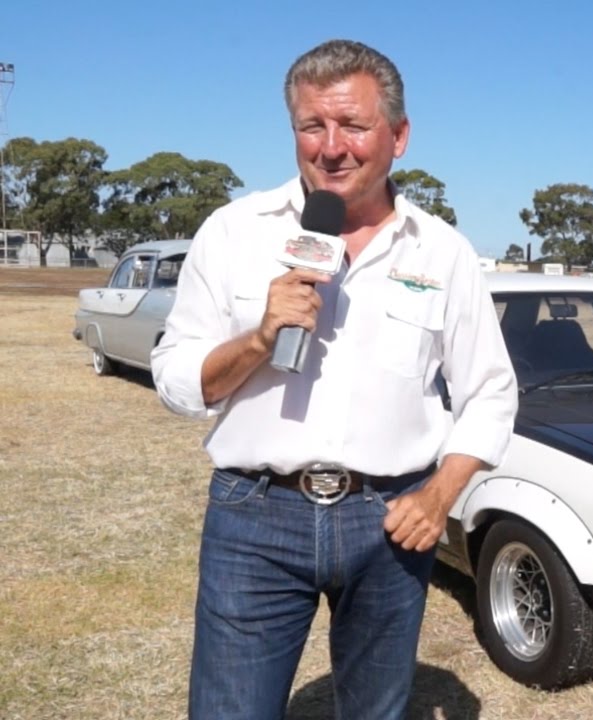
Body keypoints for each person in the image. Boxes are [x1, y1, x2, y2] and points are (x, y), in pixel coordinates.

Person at [152, 39, 517, 720]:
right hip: (254, 517)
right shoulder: (233, 232)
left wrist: (439, 497)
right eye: (312, 126)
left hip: (390, 522)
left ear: (399, 135)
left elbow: (490, 392)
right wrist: (260, 338)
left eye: (353, 125)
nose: (331, 147)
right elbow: (175, 379)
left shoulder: (442, 252)